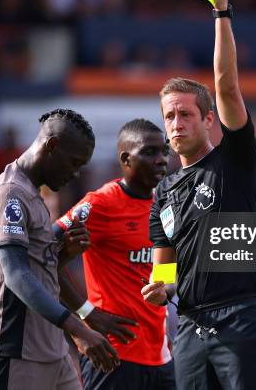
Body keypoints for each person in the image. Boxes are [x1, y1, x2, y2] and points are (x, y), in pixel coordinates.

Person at [141, 0, 256, 389]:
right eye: (169, 116)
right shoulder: (162, 193)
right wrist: (160, 289)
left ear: (208, 119)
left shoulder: (233, 161)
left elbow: (227, 87)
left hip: (240, 319)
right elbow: (165, 266)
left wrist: (221, 11)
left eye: (186, 114)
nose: (177, 123)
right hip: (190, 328)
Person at [0, 109, 119, 390]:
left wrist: (63, 255)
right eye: (74, 162)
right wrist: (78, 328)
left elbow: (40, 273)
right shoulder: (10, 193)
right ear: (52, 146)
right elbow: (16, 275)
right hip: (13, 352)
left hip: (51, 351)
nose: (75, 174)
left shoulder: (34, 194)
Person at [55, 119, 175, 390]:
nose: (160, 159)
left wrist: (166, 286)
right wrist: (85, 314)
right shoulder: (100, 204)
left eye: (164, 151)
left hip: (161, 358)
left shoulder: (167, 206)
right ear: (126, 159)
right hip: (113, 356)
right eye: (149, 152)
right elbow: (43, 256)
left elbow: (163, 271)